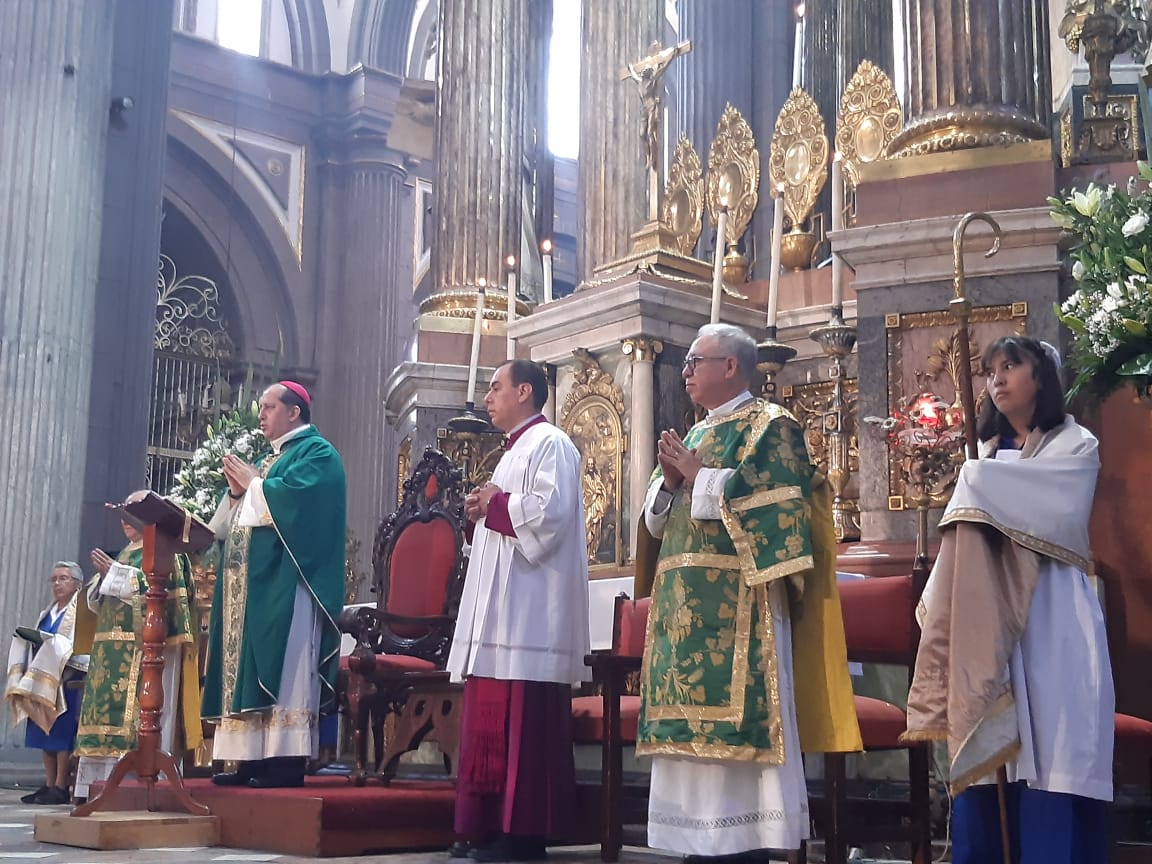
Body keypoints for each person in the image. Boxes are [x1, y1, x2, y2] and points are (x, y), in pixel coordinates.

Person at [637, 323, 861, 859]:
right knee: (686, 737)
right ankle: (694, 844)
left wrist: (699, 476)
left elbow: (779, 509)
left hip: (744, 608)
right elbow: (654, 524)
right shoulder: (694, 433)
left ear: (731, 366)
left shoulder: (771, 425)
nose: (686, 372)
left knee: (739, 732)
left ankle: (746, 844)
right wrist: (671, 483)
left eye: (695, 361)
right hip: (683, 613)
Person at [904, 336, 1113, 864]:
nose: (996, 379)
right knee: (992, 752)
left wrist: (978, 482)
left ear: (1041, 377)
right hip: (988, 615)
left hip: (1053, 617)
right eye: (990, 369)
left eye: (1010, 366)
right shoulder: (982, 456)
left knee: (1055, 750)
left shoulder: (1075, 446)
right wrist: (977, 477)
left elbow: (1049, 510)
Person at [446, 359, 590, 863]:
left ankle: (524, 834)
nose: (487, 397)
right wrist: (479, 515)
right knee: (491, 723)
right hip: (501, 617)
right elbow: (501, 526)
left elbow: (550, 516)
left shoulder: (551, 444)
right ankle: (485, 826)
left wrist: (496, 504)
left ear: (525, 391)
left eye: (495, 387)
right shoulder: (510, 452)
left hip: (531, 616)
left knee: (525, 728)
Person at [201, 381, 346, 789]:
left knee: (286, 668)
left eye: (268, 407)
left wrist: (255, 485)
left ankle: (284, 762)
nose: (261, 415)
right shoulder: (270, 459)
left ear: (294, 412)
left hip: (289, 585)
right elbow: (238, 521)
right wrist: (236, 493)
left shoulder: (318, 454)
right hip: (252, 587)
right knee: (249, 671)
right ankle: (250, 760)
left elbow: (302, 507)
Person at [74, 492, 202, 800]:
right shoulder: (125, 553)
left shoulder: (167, 550)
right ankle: (97, 788)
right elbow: (98, 602)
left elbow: (161, 598)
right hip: (110, 654)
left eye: (133, 511)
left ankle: (142, 785)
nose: (125, 519)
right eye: (124, 512)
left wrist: (114, 575)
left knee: (145, 720)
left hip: (148, 655)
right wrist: (104, 580)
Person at [5, 562, 88, 805]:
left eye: (63, 578)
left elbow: (83, 647)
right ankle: (48, 784)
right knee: (43, 729)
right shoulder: (47, 613)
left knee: (60, 733)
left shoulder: (82, 613)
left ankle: (61, 786)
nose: (57, 584)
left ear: (77, 585)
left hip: (67, 679)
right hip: (42, 681)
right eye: (54, 579)